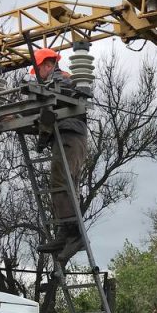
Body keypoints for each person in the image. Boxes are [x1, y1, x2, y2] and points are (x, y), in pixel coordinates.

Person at [28, 49, 89, 262]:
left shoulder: (63, 80)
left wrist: (42, 137)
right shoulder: (55, 83)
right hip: (62, 136)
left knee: (64, 181)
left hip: (70, 135)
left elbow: (49, 108)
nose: (37, 76)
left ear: (47, 65)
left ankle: (74, 234)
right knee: (59, 183)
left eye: (38, 71)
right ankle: (65, 232)